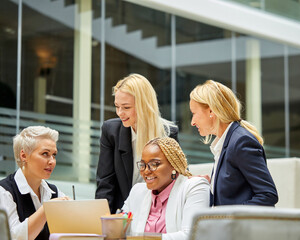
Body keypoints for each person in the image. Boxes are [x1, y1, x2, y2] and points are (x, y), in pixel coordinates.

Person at [95, 73, 178, 213]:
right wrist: (103, 223)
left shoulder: (168, 133)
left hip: (156, 212)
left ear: (144, 106)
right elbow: (105, 183)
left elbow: (173, 179)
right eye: (117, 106)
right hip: (121, 213)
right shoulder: (111, 132)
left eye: (126, 107)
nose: (120, 113)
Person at [189, 80, 278, 206]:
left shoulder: (241, 142)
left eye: (194, 113)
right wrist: (208, 183)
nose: (192, 122)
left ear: (211, 111)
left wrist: (229, 217)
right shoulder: (226, 142)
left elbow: (268, 195)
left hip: (239, 226)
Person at [122, 137, 210, 240]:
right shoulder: (137, 191)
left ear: (173, 164)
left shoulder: (195, 187)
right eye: (143, 165)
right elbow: (121, 227)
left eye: (154, 164)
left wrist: (143, 238)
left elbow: (193, 235)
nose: (146, 171)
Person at [0, 126, 70, 240]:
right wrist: (46, 210)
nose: (52, 161)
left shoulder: (54, 192)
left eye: (54, 155)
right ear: (24, 156)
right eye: (45, 154)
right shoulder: (4, 192)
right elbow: (12, 237)